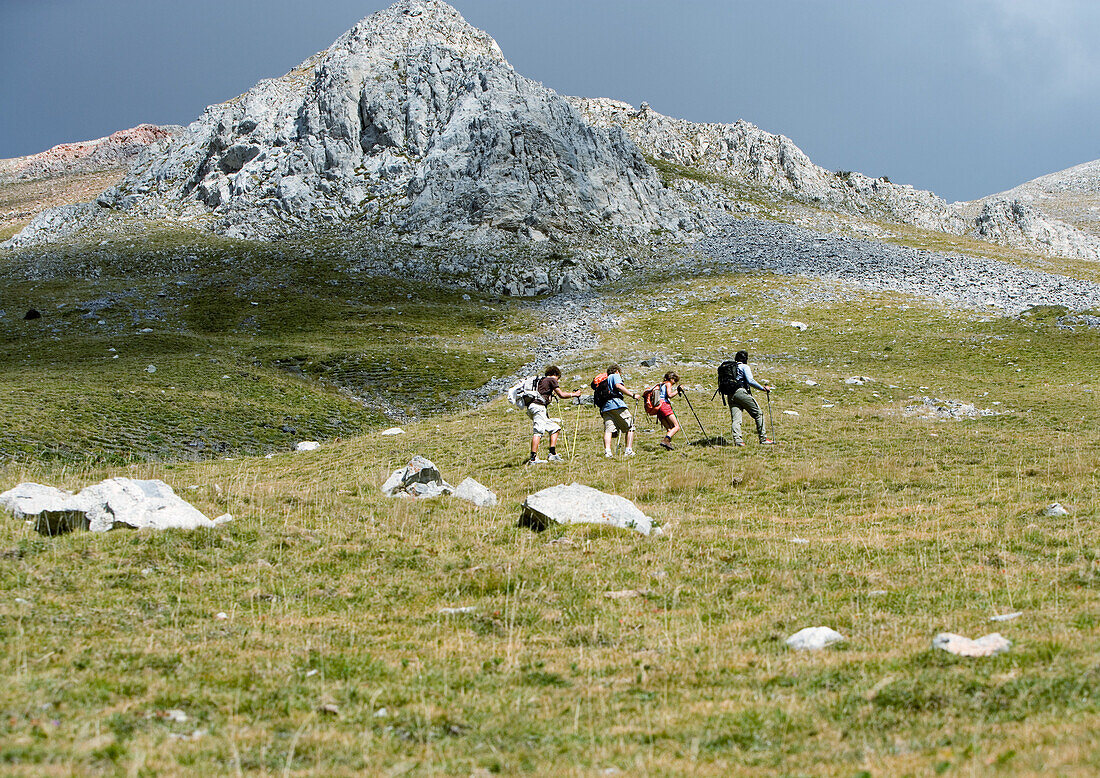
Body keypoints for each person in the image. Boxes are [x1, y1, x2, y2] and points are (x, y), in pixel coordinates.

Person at [526, 365, 582, 464]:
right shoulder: (552, 379)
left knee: (555, 428)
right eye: (558, 378)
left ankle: (552, 453)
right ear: (555, 374)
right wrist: (574, 394)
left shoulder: (541, 381)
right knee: (538, 431)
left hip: (533, 407)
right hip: (539, 408)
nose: (558, 381)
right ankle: (533, 459)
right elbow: (561, 395)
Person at [727, 350, 774, 446]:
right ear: (745, 359)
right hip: (741, 392)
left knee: (736, 419)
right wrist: (762, 388)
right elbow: (750, 380)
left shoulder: (731, 368)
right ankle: (763, 438)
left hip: (730, 394)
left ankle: (738, 441)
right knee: (758, 414)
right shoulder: (744, 366)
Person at [599, 364, 640, 458]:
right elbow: (618, 386)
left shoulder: (604, 381)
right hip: (616, 405)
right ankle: (628, 450)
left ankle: (607, 452)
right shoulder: (615, 375)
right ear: (617, 371)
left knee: (608, 429)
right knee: (630, 426)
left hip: (605, 408)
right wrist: (632, 395)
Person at [655, 371, 683, 450]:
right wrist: (677, 391)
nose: (674, 383)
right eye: (674, 380)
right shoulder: (668, 384)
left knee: (669, 429)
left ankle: (668, 446)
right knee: (676, 427)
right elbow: (669, 395)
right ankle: (665, 440)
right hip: (664, 405)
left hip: (658, 407)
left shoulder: (661, 384)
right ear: (671, 378)